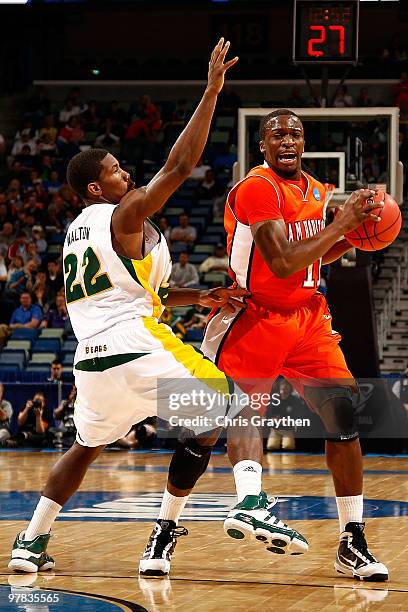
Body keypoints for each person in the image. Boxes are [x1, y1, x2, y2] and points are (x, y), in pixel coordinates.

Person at [11, 40, 305, 578]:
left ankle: (31, 542)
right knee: (235, 402)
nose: (127, 175)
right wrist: (211, 91)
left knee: (87, 446)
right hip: (134, 343)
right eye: (118, 170)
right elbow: (180, 164)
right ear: (98, 186)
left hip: (93, 360)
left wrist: (202, 297)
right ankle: (251, 503)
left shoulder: (78, 236)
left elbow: (144, 293)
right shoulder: (120, 214)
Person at [199, 109, 388, 582]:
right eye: (277, 134)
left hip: (307, 319)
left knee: (344, 417)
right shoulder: (258, 187)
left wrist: (356, 235)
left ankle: (352, 539)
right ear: (262, 145)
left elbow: (314, 255)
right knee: (203, 429)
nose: (287, 140)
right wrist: (342, 221)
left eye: (295, 134)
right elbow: (282, 263)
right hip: (255, 314)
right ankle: (186, 519)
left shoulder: (318, 190)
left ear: (305, 143)